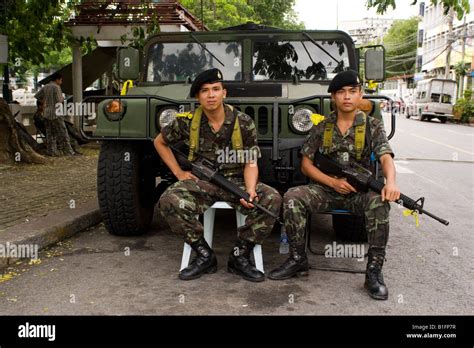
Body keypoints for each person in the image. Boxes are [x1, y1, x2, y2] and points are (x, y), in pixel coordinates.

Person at [268, 70, 400, 301]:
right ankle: (298, 259)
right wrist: (332, 182)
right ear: (333, 98)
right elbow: (306, 165)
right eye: (341, 92)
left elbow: (386, 157)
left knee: (380, 203)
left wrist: (391, 183)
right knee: (292, 196)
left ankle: (374, 272)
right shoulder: (321, 127)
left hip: (359, 193)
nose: (347, 97)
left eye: (352, 92)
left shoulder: (373, 126)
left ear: (361, 95)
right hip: (326, 191)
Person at [154, 68, 282, 282]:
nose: (211, 95)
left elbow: (251, 162)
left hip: (237, 181)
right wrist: (178, 172)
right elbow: (159, 142)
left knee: (272, 199)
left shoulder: (243, 122)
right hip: (203, 183)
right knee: (169, 201)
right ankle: (204, 255)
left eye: (215, 89)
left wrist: (250, 189)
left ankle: (239, 256)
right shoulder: (186, 121)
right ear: (198, 96)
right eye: (205, 90)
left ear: (224, 93)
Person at [34, 72, 75, 156]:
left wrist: (45, 101)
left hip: (47, 113)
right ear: (57, 79)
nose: (61, 82)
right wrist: (62, 98)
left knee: (50, 134)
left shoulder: (45, 87)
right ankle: (68, 152)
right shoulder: (57, 87)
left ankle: (51, 151)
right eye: (61, 80)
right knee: (63, 133)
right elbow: (59, 100)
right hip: (56, 113)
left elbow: (37, 96)